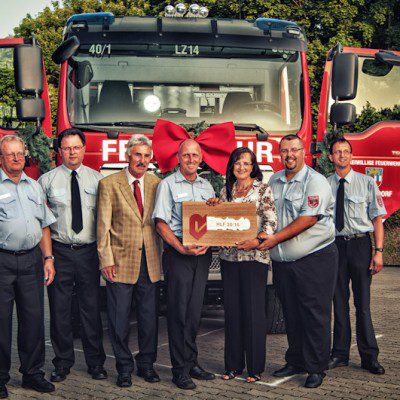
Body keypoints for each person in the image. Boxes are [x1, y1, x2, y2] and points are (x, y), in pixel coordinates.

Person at [258, 134, 338, 388]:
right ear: (279, 154)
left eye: (294, 149)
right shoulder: (274, 180)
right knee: (291, 313)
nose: (289, 155)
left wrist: (274, 239)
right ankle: (296, 360)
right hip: (283, 261)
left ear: (304, 152)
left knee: (315, 314)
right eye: (284, 150)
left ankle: (316, 367)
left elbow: (308, 219)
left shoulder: (315, 182)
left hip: (314, 258)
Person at [38, 128, 106, 383]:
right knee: (60, 310)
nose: (72, 152)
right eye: (66, 148)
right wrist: (47, 257)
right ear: (59, 151)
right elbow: (41, 222)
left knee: (91, 309)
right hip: (60, 252)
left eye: (76, 147)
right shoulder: (46, 181)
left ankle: (96, 363)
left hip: (89, 252)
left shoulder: (98, 180)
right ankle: (62, 363)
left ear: (84, 149)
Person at [97, 135, 162, 388]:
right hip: (120, 262)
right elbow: (103, 227)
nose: (142, 160)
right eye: (137, 155)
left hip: (151, 262)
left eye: (146, 156)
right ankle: (124, 368)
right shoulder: (109, 184)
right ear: (128, 156)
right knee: (119, 320)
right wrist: (106, 260)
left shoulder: (157, 183)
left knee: (149, 319)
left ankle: (147, 365)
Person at [152, 139, 216, 390]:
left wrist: (212, 236)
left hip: (202, 255)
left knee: (194, 311)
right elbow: (160, 223)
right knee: (178, 312)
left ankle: (191, 362)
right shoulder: (167, 185)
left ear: (201, 158)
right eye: (186, 155)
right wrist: (180, 247)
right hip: (179, 254)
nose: (191, 159)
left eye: (195, 155)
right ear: (178, 158)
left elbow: (213, 221)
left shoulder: (207, 186)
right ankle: (179, 370)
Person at [212, 147, 277, 383]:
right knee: (232, 312)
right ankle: (233, 366)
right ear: (232, 166)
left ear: (253, 167)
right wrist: (213, 206)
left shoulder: (263, 189)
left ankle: (255, 368)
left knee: (253, 312)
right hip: (229, 259)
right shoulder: (225, 190)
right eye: (237, 163)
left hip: (254, 258)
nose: (241, 167)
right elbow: (219, 221)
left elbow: (271, 222)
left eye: (246, 163)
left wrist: (256, 241)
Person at [0, 135, 56, 398]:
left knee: (34, 320)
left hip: (32, 260)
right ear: (1, 158)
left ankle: (33, 374)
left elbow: (43, 225)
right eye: (10, 154)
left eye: (20, 153)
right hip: (2, 260)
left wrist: (48, 258)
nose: (16, 158)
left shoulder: (34, 186)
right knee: (1, 322)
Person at [327, 138, 386, 375]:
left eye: (346, 152)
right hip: (335, 247)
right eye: (337, 152)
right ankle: (340, 354)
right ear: (330, 157)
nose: (342, 155)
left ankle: (369, 357)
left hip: (360, 245)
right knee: (339, 302)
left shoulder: (367, 182)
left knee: (362, 304)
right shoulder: (325, 184)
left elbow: (377, 219)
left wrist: (379, 252)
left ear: (351, 156)